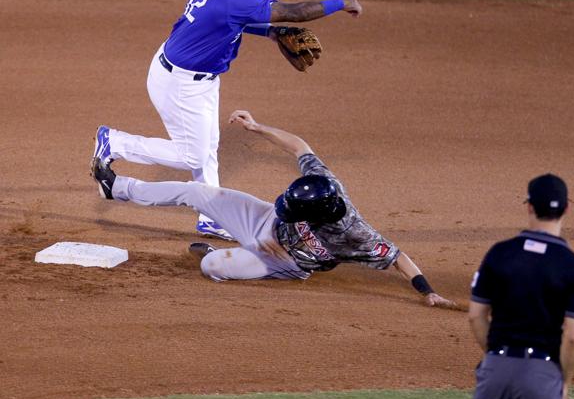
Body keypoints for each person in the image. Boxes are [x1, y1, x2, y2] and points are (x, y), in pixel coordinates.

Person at [92, 0, 362, 240]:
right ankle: (116, 142)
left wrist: (272, 33)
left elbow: (235, 20)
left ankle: (210, 217)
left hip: (192, 76)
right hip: (180, 83)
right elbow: (293, 12)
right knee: (193, 156)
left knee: (207, 151)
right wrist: (343, 2)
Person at [90, 109, 457, 309]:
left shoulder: (355, 234)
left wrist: (428, 292)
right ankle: (116, 187)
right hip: (261, 219)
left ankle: (225, 253)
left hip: (282, 261)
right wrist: (256, 127)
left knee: (211, 267)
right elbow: (300, 146)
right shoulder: (322, 181)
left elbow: (397, 257)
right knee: (196, 191)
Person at [468, 174, 574, 399]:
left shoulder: (500, 253)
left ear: (530, 206)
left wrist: (496, 357)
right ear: (567, 208)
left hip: (495, 371)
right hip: (541, 376)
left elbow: (476, 316)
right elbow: (573, 336)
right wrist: (564, 381)